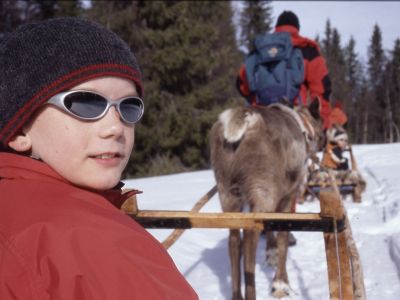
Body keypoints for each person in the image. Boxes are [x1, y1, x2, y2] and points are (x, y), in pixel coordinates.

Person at [0, 17, 198, 299]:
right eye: (85, 102)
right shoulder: (97, 244)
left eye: (129, 107)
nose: (115, 127)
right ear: (19, 128)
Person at [236, 10, 336, 129]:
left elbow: (241, 84)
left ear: (277, 27)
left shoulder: (261, 49)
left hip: (259, 116)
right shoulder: (307, 50)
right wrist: (323, 125)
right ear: (297, 29)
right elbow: (322, 91)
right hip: (293, 119)